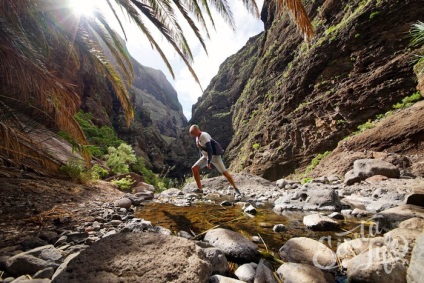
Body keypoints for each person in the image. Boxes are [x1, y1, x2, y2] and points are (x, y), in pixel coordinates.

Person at [189, 124, 241, 197]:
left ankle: (236, 188)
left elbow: (210, 149)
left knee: (224, 172)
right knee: (194, 168)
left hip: (215, 157)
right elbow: (201, 149)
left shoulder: (204, 135)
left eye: (193, 133)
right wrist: (202, 158)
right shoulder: (197, 138)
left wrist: (208, 161)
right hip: (205, 156)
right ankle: (200, 189)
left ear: (197, 130)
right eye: (191, 134)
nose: (192, 135)